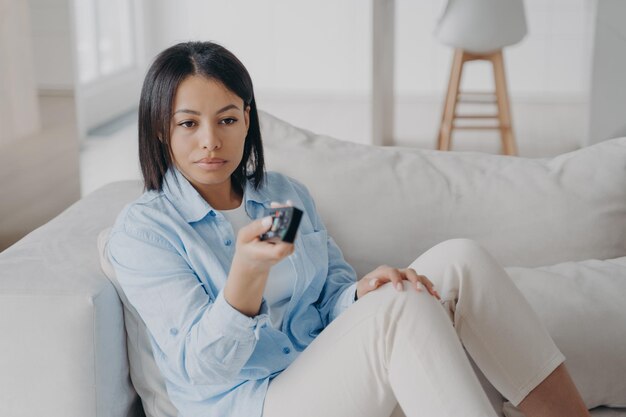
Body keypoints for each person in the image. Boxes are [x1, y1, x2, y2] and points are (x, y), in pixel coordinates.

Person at [107, 41, 591, 417]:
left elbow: (327, 297)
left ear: (247, 119)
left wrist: (358, 294)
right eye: (188, 124)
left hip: (320, 372)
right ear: (159, 129)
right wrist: (246, 276)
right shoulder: (146, 232)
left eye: (227, 119)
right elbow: (202, 368)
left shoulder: (282, 196)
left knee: (459, 260)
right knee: (402, 310)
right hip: (250, 404)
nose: (210, 141)